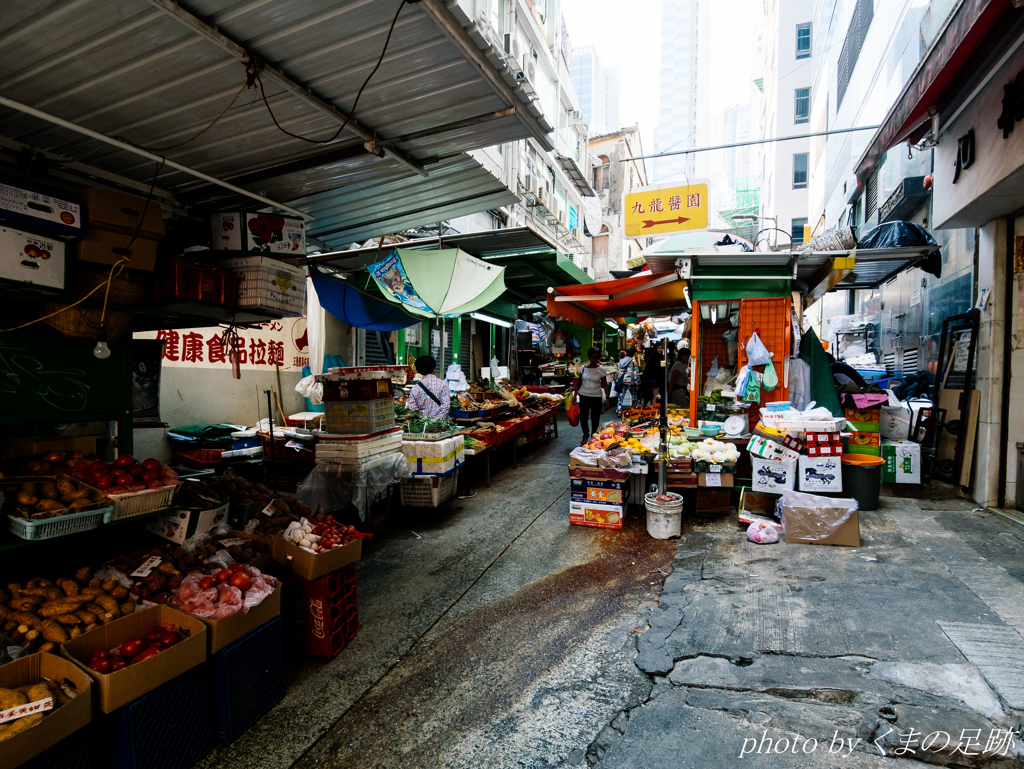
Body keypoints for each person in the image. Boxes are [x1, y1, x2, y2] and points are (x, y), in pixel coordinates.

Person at [574, 346, 608, 445]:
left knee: (595, 417)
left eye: (597, 357)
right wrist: (575, 395)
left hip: (596, 396)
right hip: (584, 395)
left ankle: (594, 436)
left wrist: (607, 397)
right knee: (583, 416)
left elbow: (605, 384)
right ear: (589, 357)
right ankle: (585, 433)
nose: (594, 359)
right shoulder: (583, 368)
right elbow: (579, 382)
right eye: (593, 357)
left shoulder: (601, 369)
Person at [407, 356, 449, 420]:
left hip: (422, 426)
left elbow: (412, 409)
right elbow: (446, 407)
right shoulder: (443, 385)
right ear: (433, 368)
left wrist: (422, 421)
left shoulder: (414, 389)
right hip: (440, 426)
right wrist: (438, 421)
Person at [616, 348, 640, 416]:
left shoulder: (621, 361)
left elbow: (619, 371)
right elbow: (636, 373)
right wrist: (637, 382)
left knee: (621, 396)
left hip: (623, 381)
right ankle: (634, 410)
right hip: (631, 381)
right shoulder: (633, 362)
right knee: (634, 396)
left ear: (626, 353)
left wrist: (618, 380)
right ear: (633, 354)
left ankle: (619, 411)